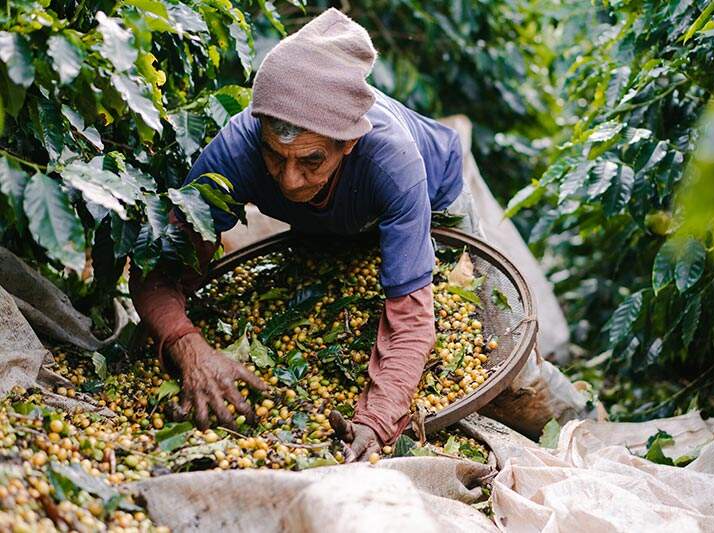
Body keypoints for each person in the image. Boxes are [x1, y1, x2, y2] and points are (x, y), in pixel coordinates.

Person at [130, 8, 467, 462]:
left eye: (311, 161)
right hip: (335, 217)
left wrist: (377, 417)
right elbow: (160, 268)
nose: (289, 181)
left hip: (436, 200)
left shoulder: (393, 165)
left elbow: (410, 323)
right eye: (275, 156)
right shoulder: (238, 149)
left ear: (347, 145)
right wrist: (188, 346)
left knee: (468, 314)